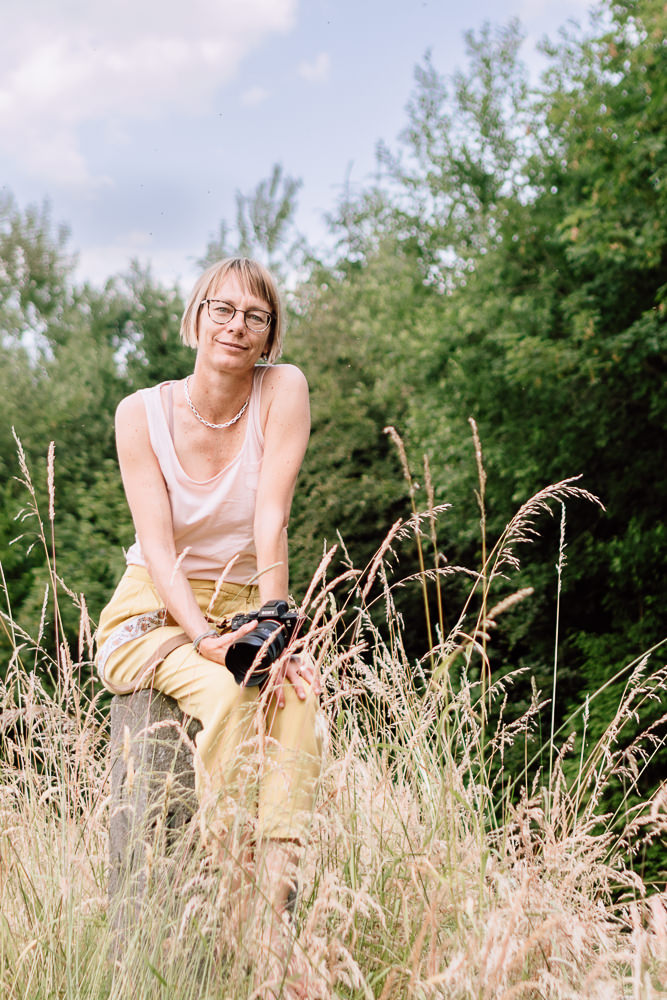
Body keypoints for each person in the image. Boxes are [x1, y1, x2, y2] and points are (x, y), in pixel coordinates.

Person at [96, 256, 322, 929]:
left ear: (270, 335)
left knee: (296, 699)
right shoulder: (140, 414)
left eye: (254, 316)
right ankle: (230, 885)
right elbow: (159, 550)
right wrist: (203, 637)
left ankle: (273, 909)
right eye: (221, 310)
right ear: (195, 321)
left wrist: (272, 632)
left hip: (240, 601)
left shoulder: (282, 390)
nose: (236, 325)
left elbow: (270, 519)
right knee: (228, 693)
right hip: (152, 613)